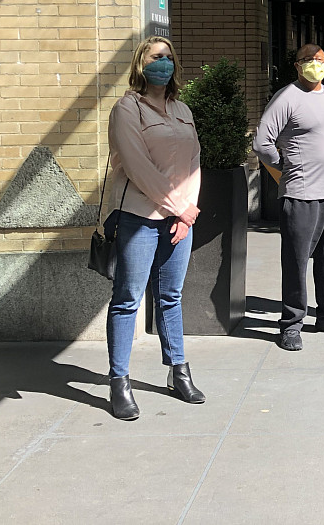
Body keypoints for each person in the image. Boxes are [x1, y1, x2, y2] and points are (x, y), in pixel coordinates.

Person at [105, 36, 205, 421]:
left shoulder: (182, 109)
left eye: (168, 57)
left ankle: (178, 371)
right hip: (139, 219)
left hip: (180, 221)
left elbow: (195, 161)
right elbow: (137, 166)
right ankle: (119, 381)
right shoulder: (127, 108)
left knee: (171, 297)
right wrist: (180, 208)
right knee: (128, 299)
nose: (163, 63)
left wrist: (186, 212)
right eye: (155, 57)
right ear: (140, 64)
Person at [254, 43, 324, 352]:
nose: (315, 64)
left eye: (321, 60)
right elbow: (262, 143)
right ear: (296, 65)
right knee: (296, 262)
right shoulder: (286, 98)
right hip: (301, 194)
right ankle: (291, 324)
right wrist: (285, 165)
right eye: (309, 60)